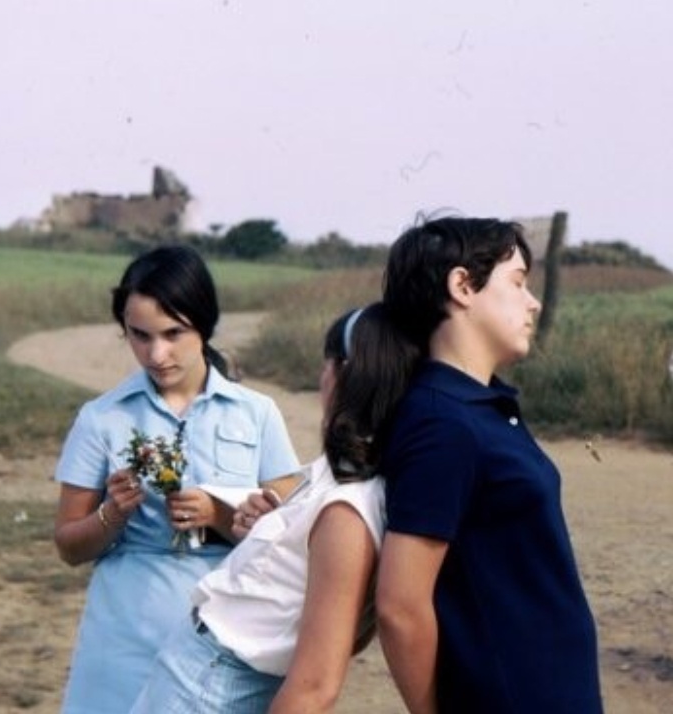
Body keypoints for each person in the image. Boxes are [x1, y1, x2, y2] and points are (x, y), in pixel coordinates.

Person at [129, 303, 421, 714]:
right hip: (203, 670)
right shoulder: (349, 473)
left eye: (328, 365)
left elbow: (317, 686)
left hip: (212, 684)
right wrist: (269, 530)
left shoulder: (349, 509)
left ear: (343, 375)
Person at [54, 244, 300, 714]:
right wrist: (111, 515)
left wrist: (220, 518)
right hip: (124, 633)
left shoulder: (257, 414)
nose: (156, 353)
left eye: (174, 333)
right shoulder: (101, 418)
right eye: (139, 335)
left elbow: (287, 538)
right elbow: (68, 546)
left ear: (204, 326)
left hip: (225, 638)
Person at [375, 214, 604, 713]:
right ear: (462, 285)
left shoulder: (480, 406)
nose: (533, 301)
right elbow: (399, 605)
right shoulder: (442, 422)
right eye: (518, 282)